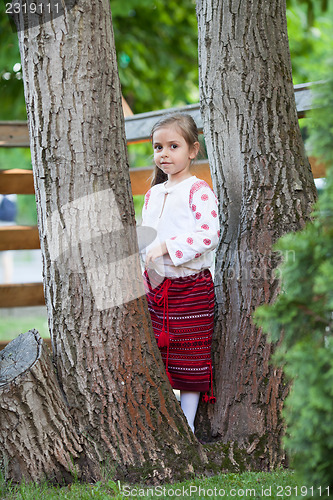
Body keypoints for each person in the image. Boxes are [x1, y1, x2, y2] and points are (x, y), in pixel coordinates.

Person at [140, 113, 220, 434]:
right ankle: (163, 417)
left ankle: (186, 425)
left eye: (174, 146)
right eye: (159, 147)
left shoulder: (197, 190)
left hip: (191, 288)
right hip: (157, 288)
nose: (164, 154)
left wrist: (166, 247)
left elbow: (209, 233)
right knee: (157, 352)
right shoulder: (153, 194)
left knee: (190, 354)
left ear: (192, 150)